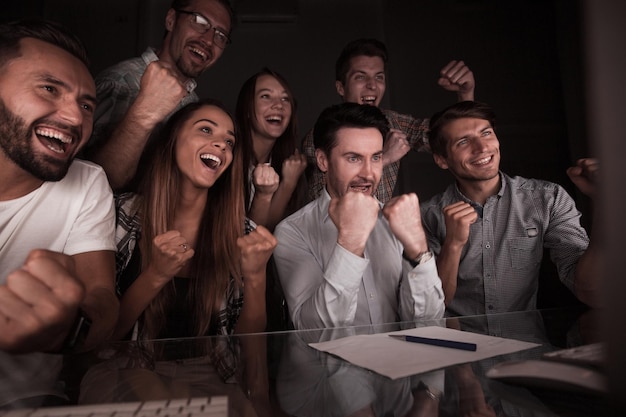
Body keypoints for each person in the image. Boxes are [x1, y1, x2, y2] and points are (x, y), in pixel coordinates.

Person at [0, 18, 118, 407]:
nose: (74, 119)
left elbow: (102, 296)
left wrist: (70, 328)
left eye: (87, 105)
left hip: (31, 401)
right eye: (49, 88)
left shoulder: (87, 184)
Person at [112, 99, 277, 350]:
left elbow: (244, 348)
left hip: (210, 382)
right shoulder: (121, 214)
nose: (222, 144)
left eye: (229, 142)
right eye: (206, 130)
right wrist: (156, 275)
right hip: (127, 377)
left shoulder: (244, 234)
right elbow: (98, 339)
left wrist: (256, 278)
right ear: (173, 138)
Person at [273, 102, 445, 330]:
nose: (368, 173)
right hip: (331, 366)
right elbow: (315, 333)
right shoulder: (292, 231)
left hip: (400, 363)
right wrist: (350, 242)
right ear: (323, 161)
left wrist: (419, 253)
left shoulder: (397, 222)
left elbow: (429, 324)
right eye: (353, 158)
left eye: (375, 158)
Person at [420, 101, 600, 317]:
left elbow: (591, 291)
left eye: (486, 133)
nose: (482, 147)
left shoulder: (547, 198)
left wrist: (605, 201)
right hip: (459, 346)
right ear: (441, 160)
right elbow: (431, 308)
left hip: (528, 346)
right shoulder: (426, 216)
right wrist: (453, 244)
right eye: (463, 141)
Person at [83, 0, 235, 191]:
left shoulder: (194, 104)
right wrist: (144, 112)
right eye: (199, 21)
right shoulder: (119, 81)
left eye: (220, 35)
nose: (208, 40)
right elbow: (89, 182)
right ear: (171, 20)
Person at [302, 38, 476, 203]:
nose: (372, 85)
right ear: (341, 87)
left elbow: (449, 136)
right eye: (361, 77)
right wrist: (382, 159)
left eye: (379, 77)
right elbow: (322, 206)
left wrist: (465, 94)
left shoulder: (394, 122)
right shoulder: (321, 135)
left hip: (381, 229)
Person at [235, 67, 307, 231]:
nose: (278, 105)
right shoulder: (228, 157)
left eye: (285, 99)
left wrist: (289, 180)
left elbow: (271, 232)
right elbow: (252, 236)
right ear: (247, 108)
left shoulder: (289, 163)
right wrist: (287, 184)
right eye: (266, 96)